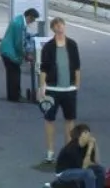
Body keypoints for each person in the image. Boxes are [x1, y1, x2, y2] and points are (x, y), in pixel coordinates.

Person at [40, 17, 81, 163]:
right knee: (49, 119)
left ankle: (68, 151)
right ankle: (50, 151)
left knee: (70, 120)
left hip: (69, 89)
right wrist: (42, 87)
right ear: (53, 29)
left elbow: (76, 66)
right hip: (52, 88)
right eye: (57, 25)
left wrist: (77, 84)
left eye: (61, 25)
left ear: (65, 26)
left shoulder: (72, 45)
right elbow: (43, 68)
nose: (60, 27)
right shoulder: (48, 47)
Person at [0, 8, 40, 102]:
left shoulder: (18, 19)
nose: (32, 22)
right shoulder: (19, 24)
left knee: (11, 74)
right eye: (33, 20)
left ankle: (12, 96)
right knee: (15, 74)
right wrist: (26, 55)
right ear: (29, 16)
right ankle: (15, 97)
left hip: (6, 50)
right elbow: (19, 43)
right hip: (10, 52)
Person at [53, 123, 104, 188]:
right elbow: (84, 167)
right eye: (86, 132)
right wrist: (90, 148)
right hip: (63, 172)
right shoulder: (72, 148)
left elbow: (97, 162)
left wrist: (95, 145)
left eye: (89, 132)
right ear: (80, 135)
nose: (89, 134)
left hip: (76, 168)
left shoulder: (86, 145)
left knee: (100, 169)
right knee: (88, 173)